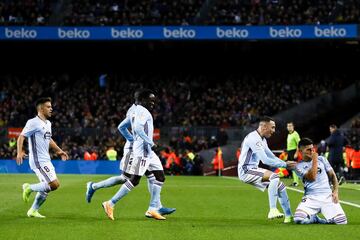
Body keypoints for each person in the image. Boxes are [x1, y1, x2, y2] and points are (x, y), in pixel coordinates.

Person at [86, 91, 175, 219]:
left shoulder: (134, 111)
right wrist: (149, 142)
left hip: (147, 151)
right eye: (151, 100)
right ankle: (109, 202)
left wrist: (135, 139)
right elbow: (138, 129)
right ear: (142, 100)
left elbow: (122, 126)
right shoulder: (142, 111)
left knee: (159, 176)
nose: (153, 103)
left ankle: (154, 207)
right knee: (131, 179)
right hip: (141, 150)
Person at [16, 97, 69, 218]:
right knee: (54, 184)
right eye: (48, 107)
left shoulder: (48, 123)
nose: (51, 109)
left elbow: (48, 139)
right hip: (38, 160)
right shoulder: (33, 122)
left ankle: (33, 211)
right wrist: (19, 152)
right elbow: (21, 137)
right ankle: (29, 187)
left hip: (46, 159)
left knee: (46, 188)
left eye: (51, 106)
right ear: (41, 108)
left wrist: (59, 151)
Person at [238, 116, 296, 223]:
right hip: (246, 170)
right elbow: (265, 160)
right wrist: (284, 165)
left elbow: (271, 156)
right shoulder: (253, 138)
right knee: (274, 176)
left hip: (253, 168)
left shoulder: (262, 139)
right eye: (272, 128)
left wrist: (285, 163)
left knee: (280, 186)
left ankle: (289, 217)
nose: (273, 131)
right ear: (264, 126)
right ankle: (272, 210)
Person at [294, 138, 347, 224]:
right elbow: (312, 177)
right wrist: (315, 160)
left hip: (327, 196)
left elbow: (333, 176)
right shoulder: (298, 166)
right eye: (308, 150)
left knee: (341, 221)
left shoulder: (322, 159)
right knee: (298, 219)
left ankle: (323, 220)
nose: (312, 151)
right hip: (311, 198)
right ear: (300, 151)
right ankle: (314, 218)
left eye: (312, 149)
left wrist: (336, 191)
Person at [286, 122, 301, 186]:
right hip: (289, 152)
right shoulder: (289, 134)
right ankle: (295, 180)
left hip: (293, 151)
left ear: (293, 127)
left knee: (294, 167)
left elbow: (299, 144)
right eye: (288, 126)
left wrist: (296, 153)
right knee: (290, 167)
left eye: (290, 126)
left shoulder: (295, 134)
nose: (289, 127)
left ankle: (296, 182)